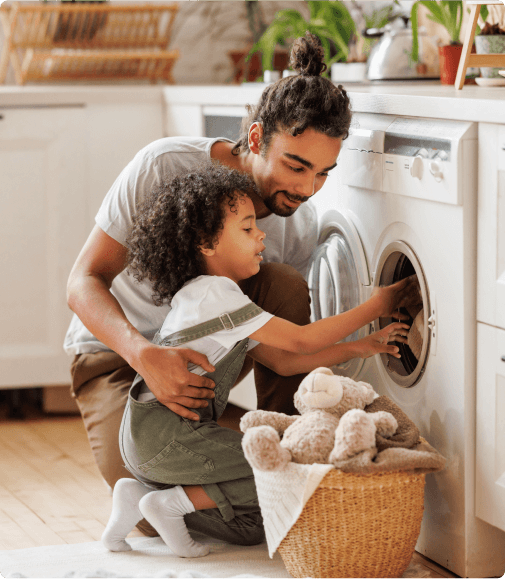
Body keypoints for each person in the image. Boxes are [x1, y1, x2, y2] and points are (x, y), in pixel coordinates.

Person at [64, 32, 415, 536]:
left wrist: (361, 345)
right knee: (151, 511)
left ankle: (286, 444)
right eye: (296, 165)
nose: (305, 189)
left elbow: (282, 350)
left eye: (322, 173)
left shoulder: (298, 223)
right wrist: (145, 355)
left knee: (286, 285)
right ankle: (252, 473)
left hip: (206, 374)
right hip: (116, 356)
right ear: (255, 139)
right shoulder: (164, 166)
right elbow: (82, 282)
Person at [100, 163, 410, 556]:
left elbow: (282, 363)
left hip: (144, 436)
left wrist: (364, 346)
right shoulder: (218, 296)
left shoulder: (199, 296)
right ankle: (169, 504)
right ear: (207, 244)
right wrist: (377, 305)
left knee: (250, 529)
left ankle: (135, 495)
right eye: (246, 229)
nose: (260, 234)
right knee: (281, 471)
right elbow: (299, 340)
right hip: (170, 437)